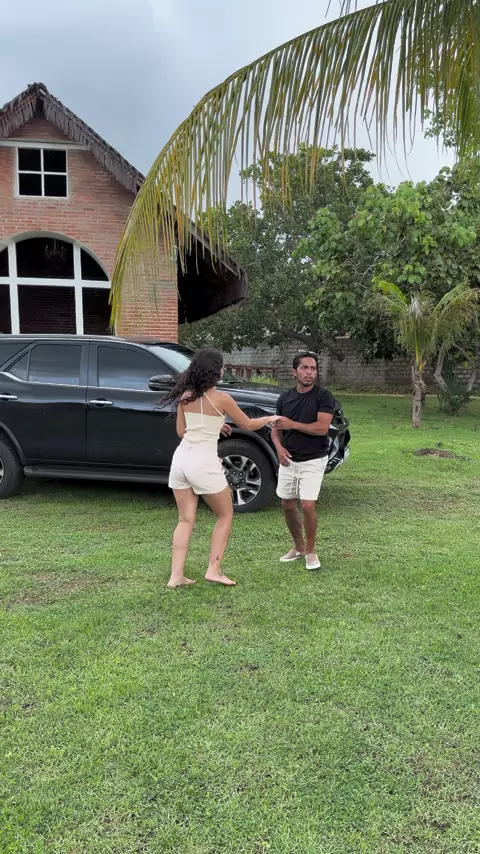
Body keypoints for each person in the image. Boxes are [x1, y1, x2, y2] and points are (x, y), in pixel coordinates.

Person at [165, 348, 279, 588]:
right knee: (225, 515)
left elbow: (182, 432)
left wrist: (215, 427)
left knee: (185, 520)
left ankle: (176, 576)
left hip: (181, 460)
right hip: (204, 463)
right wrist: (270, 419)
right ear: (216, 372)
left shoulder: (185, 396)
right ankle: (214, 570)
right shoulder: (222, 399)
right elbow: (247, 424)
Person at [272, 351, 335, 570]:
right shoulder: (284, 398)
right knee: (287, 504)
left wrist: (293, 425)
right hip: (289, 459)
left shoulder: (323, 397)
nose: (309, 373)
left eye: (313, 368)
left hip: (314, 459)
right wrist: (279, 448)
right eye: (305, 368)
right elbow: (276, 429)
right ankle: (298, 548)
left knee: (307, 505)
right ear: (294, 372)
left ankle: (311, 551)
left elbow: (322, 428)